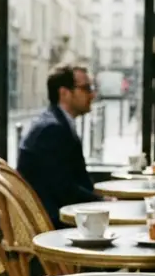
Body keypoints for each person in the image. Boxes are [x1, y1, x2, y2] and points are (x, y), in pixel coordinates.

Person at [16, 64, 99, 229]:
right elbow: (64, 189)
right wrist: (103, 203)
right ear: (64, 93)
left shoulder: (54, 122)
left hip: (55, 216)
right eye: (86, 88)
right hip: (54, 224)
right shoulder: (53, 129)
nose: (92, 94)